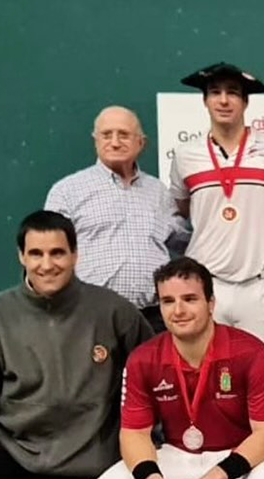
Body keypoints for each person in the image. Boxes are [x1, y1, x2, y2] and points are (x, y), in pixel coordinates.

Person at [88, 256, 264, 479]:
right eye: (168, 301)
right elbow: (134, 434)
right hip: (179, 457)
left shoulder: (251, 352)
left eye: (190, 299)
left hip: (241, 463)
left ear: (211, 303)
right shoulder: (143, 359)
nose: (179, 310)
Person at [0, 210, 153, 479]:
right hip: (17, 447)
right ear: (21, 256)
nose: (47, 264)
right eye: (36, 254)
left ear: (75, 254)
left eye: (57, 253)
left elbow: (149, 380)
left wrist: (145, 444)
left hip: (85, 461)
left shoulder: (113, 312)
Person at [170, 62, 264, 456]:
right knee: (208, 391)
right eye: (215, 92)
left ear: (245, 102)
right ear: (205, 101)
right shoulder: (187, 155)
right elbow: (179, 211)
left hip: (263, 287)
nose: (224, 100)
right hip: (207, 293)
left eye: (232, 93)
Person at [46, 105, 186, 333]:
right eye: (106, 134)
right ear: (95, 141)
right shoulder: (67, 191)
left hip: (153, 318)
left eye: (123, 134)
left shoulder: (159, 192)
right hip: (89, 316)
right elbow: (50, 251)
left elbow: (182, 240)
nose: (115, 142)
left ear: (141, 142)